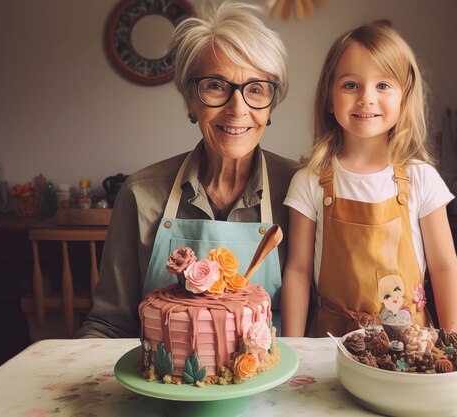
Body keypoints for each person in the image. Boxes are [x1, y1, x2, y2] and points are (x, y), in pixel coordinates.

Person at [77, 2, 296, 338]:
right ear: (190, 100)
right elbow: (108, 324)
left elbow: (317, 322)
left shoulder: (302, 191)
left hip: (273, 379)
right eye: (216, 86)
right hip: (163, 385)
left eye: (256, 89)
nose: (238, 109)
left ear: (271, 106)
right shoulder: (140, 194)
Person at [281, 24, 457, 337]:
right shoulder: (309, 181)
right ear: (329, 97)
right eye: (351, 85)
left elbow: (445, 267)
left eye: (382, 85)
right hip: (330, 345)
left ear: (404, 99)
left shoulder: (421, 179)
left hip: (411, 346)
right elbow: (298, 271)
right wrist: (294, 348)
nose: (366, 98)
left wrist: (453, 343)